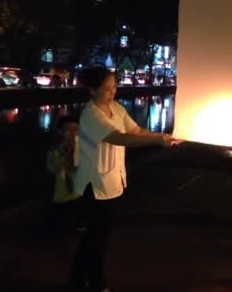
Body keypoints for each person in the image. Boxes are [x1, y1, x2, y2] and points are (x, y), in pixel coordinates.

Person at [70, 66, 178, 292]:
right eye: (107, 89)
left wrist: (163, 136)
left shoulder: (116, 109)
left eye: (114, 87)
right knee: (96, 237)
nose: (113, 93)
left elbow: (135, 130)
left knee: (99, 235)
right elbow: (118, 138)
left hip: (112, 181)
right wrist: (157, 142)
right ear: (92, 90)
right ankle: (92, 280)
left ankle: (82, 279)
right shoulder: (91, 115)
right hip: (95, 184)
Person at [46, 115, 82, 234]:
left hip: (77, 196)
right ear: (60, 132)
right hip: (60, 196)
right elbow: (54, 167)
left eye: (75, 129)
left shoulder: (82, 148)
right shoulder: (55, 150)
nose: (72, 133)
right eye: (68, 129)